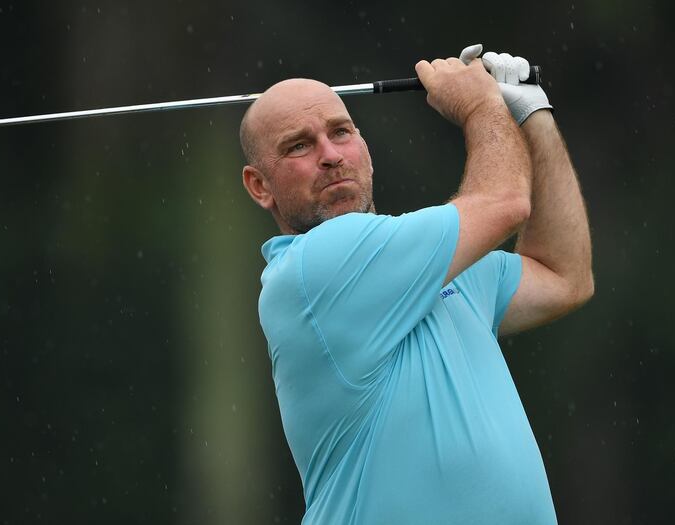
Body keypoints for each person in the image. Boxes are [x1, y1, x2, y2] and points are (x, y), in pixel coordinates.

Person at [239, 44, 593, 525]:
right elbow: (505, 202)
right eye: (298, 145)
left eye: (341, 132)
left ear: (364, 146)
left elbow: (564, 276)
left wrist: (533, 113)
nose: (330, 155)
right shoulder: (313, 265)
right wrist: (480, 104)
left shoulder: (432, 267)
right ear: (260, 186)